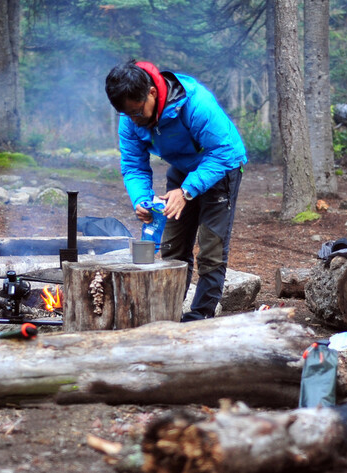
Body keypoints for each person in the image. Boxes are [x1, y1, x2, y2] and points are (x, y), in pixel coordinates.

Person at [105, 59, 246, 321]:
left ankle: (199, 317)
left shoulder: (196, 105)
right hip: (182, 169)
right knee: (173, 247)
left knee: (211, 249)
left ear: (152, 92)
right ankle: (167, 311)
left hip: (221, 167)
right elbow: (134, 164)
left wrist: (187, 191)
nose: (134, 120)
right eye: (127, 114)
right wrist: (141, 199)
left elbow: (225, 152)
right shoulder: (130, 117)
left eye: (137, 112)